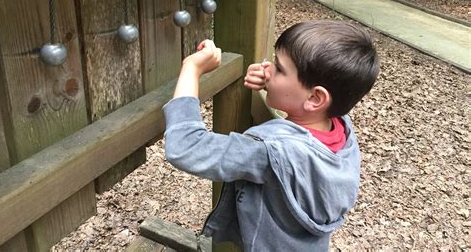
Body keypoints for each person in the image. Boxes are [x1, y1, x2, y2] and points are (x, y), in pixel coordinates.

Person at [163, 20, 380, 251]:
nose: (267, 67)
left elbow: (186, 147)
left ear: (315, 98)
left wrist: (191, 70)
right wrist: (272, 83)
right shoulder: (342, 132)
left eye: (278, 68)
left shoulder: (270, 153)